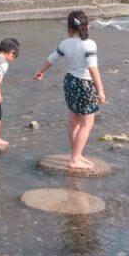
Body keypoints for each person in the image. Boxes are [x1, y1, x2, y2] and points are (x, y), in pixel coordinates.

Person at [34, 10, 106, 171]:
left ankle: (77, 154)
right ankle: (75, 158)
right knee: (87, 124)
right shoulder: (89, 44)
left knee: (74, 121)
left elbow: (52, 58)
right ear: (87, 26)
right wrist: (101, 91)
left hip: (70, 82)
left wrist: (41, 71)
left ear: (69, 27)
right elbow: (93, 70)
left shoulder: (66, 43)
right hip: (85, 84)